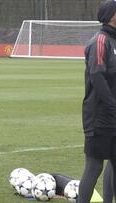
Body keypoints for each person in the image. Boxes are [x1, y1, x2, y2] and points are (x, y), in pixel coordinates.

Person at [79, 1, 116, 202]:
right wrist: (112, 105)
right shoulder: (100, 40)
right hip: (99, 117)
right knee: (94, 167)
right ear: (111, 15)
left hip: (114, 116)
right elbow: (96, 75)